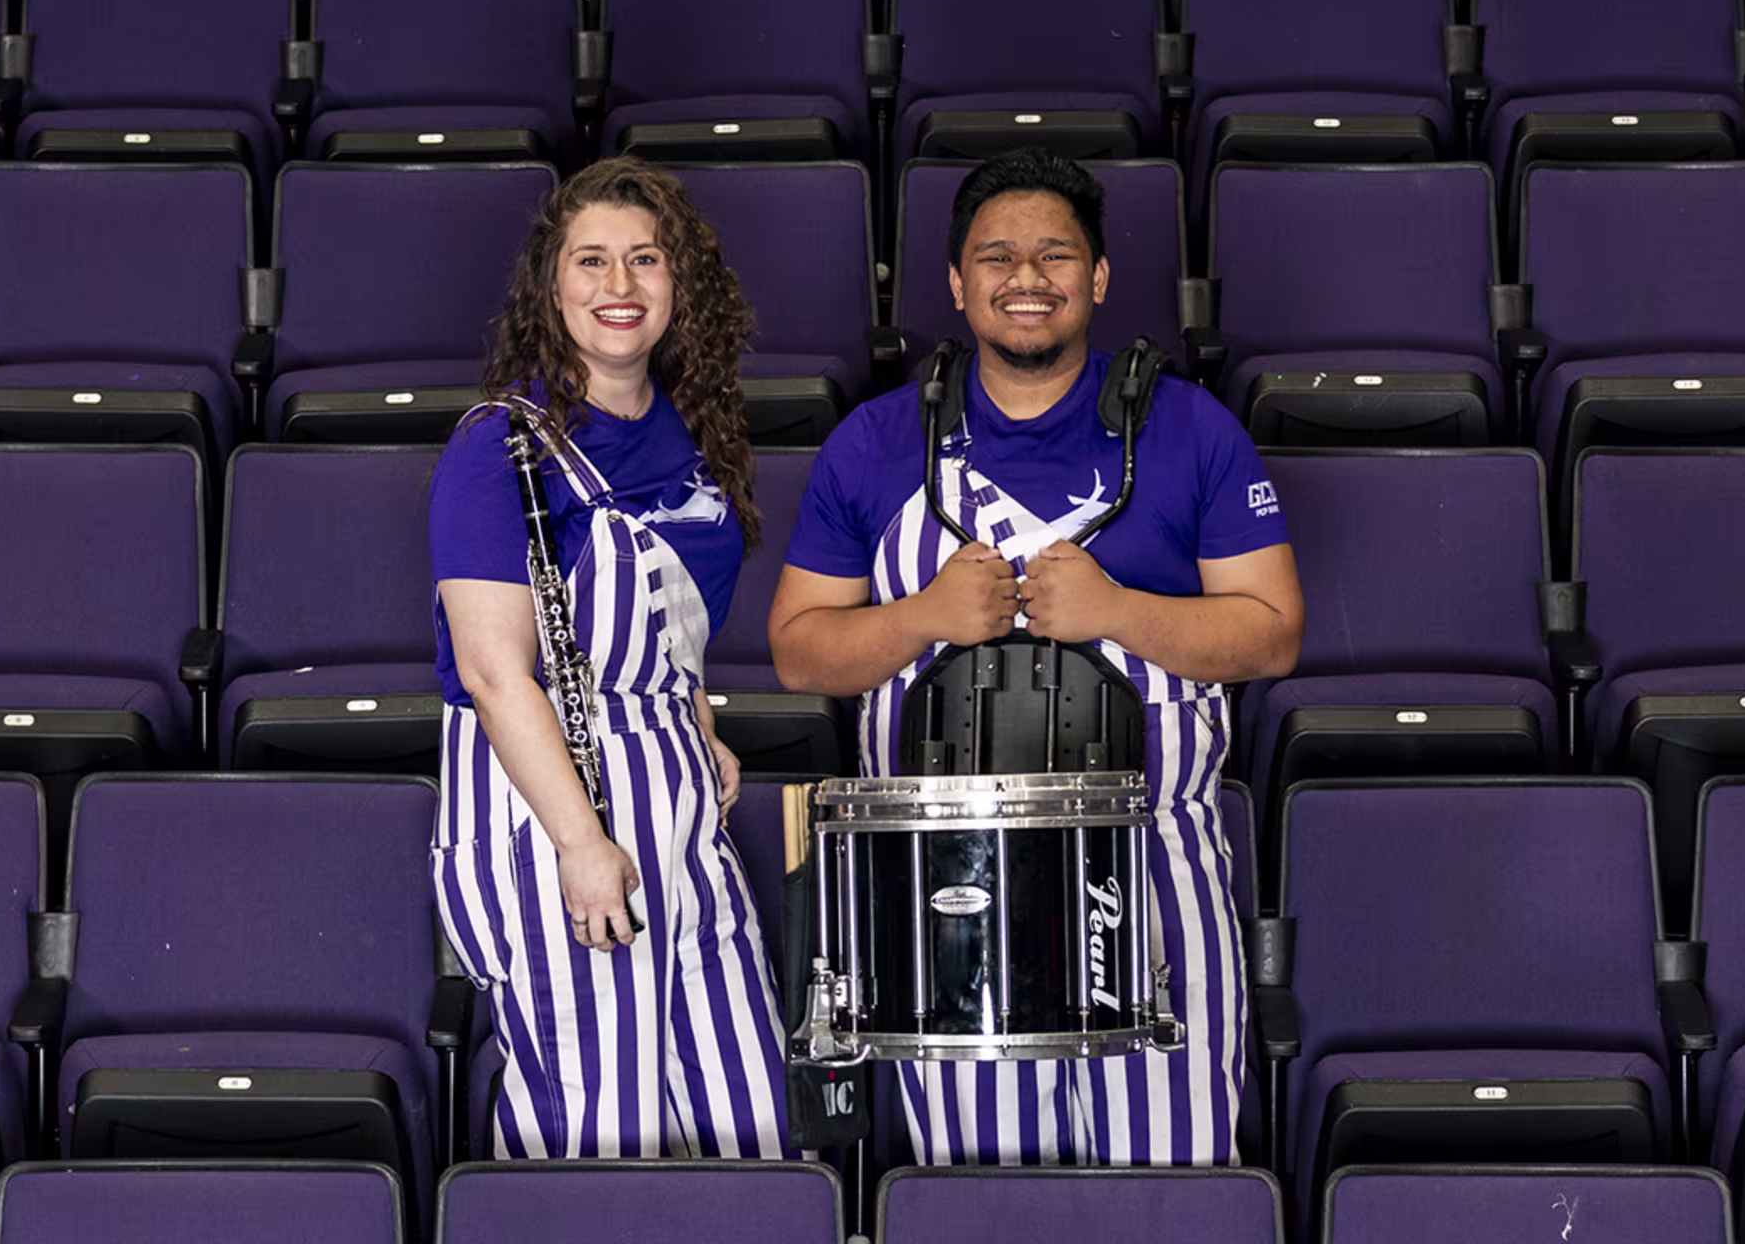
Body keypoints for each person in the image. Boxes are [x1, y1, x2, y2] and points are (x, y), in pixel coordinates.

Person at [768, 148, 1304, 1166]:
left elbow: (1273, 629)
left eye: (1057, 254)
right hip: (947, 878)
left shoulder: (1188, 428)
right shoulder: (878, 443)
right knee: (985, 1196)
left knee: (1174, 1183)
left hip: (1156, 866)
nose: (1028, 275)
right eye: (998, 255)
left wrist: (1112, 607)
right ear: (958, 283)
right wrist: (924, 614)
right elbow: (800, 649)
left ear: (1098, 277)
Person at [429, 156, 792, 1161]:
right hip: (552, 808)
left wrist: (700, 720)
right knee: (599, 1130)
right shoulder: (500, 447)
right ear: (553, 290)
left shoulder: (695, 439)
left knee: (745, 1112)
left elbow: (672, 629)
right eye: (592, 262)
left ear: (683, 284)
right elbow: (499, 673)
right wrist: (581, 842)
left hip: (676, 801)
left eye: (645, 259)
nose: (619, 285)